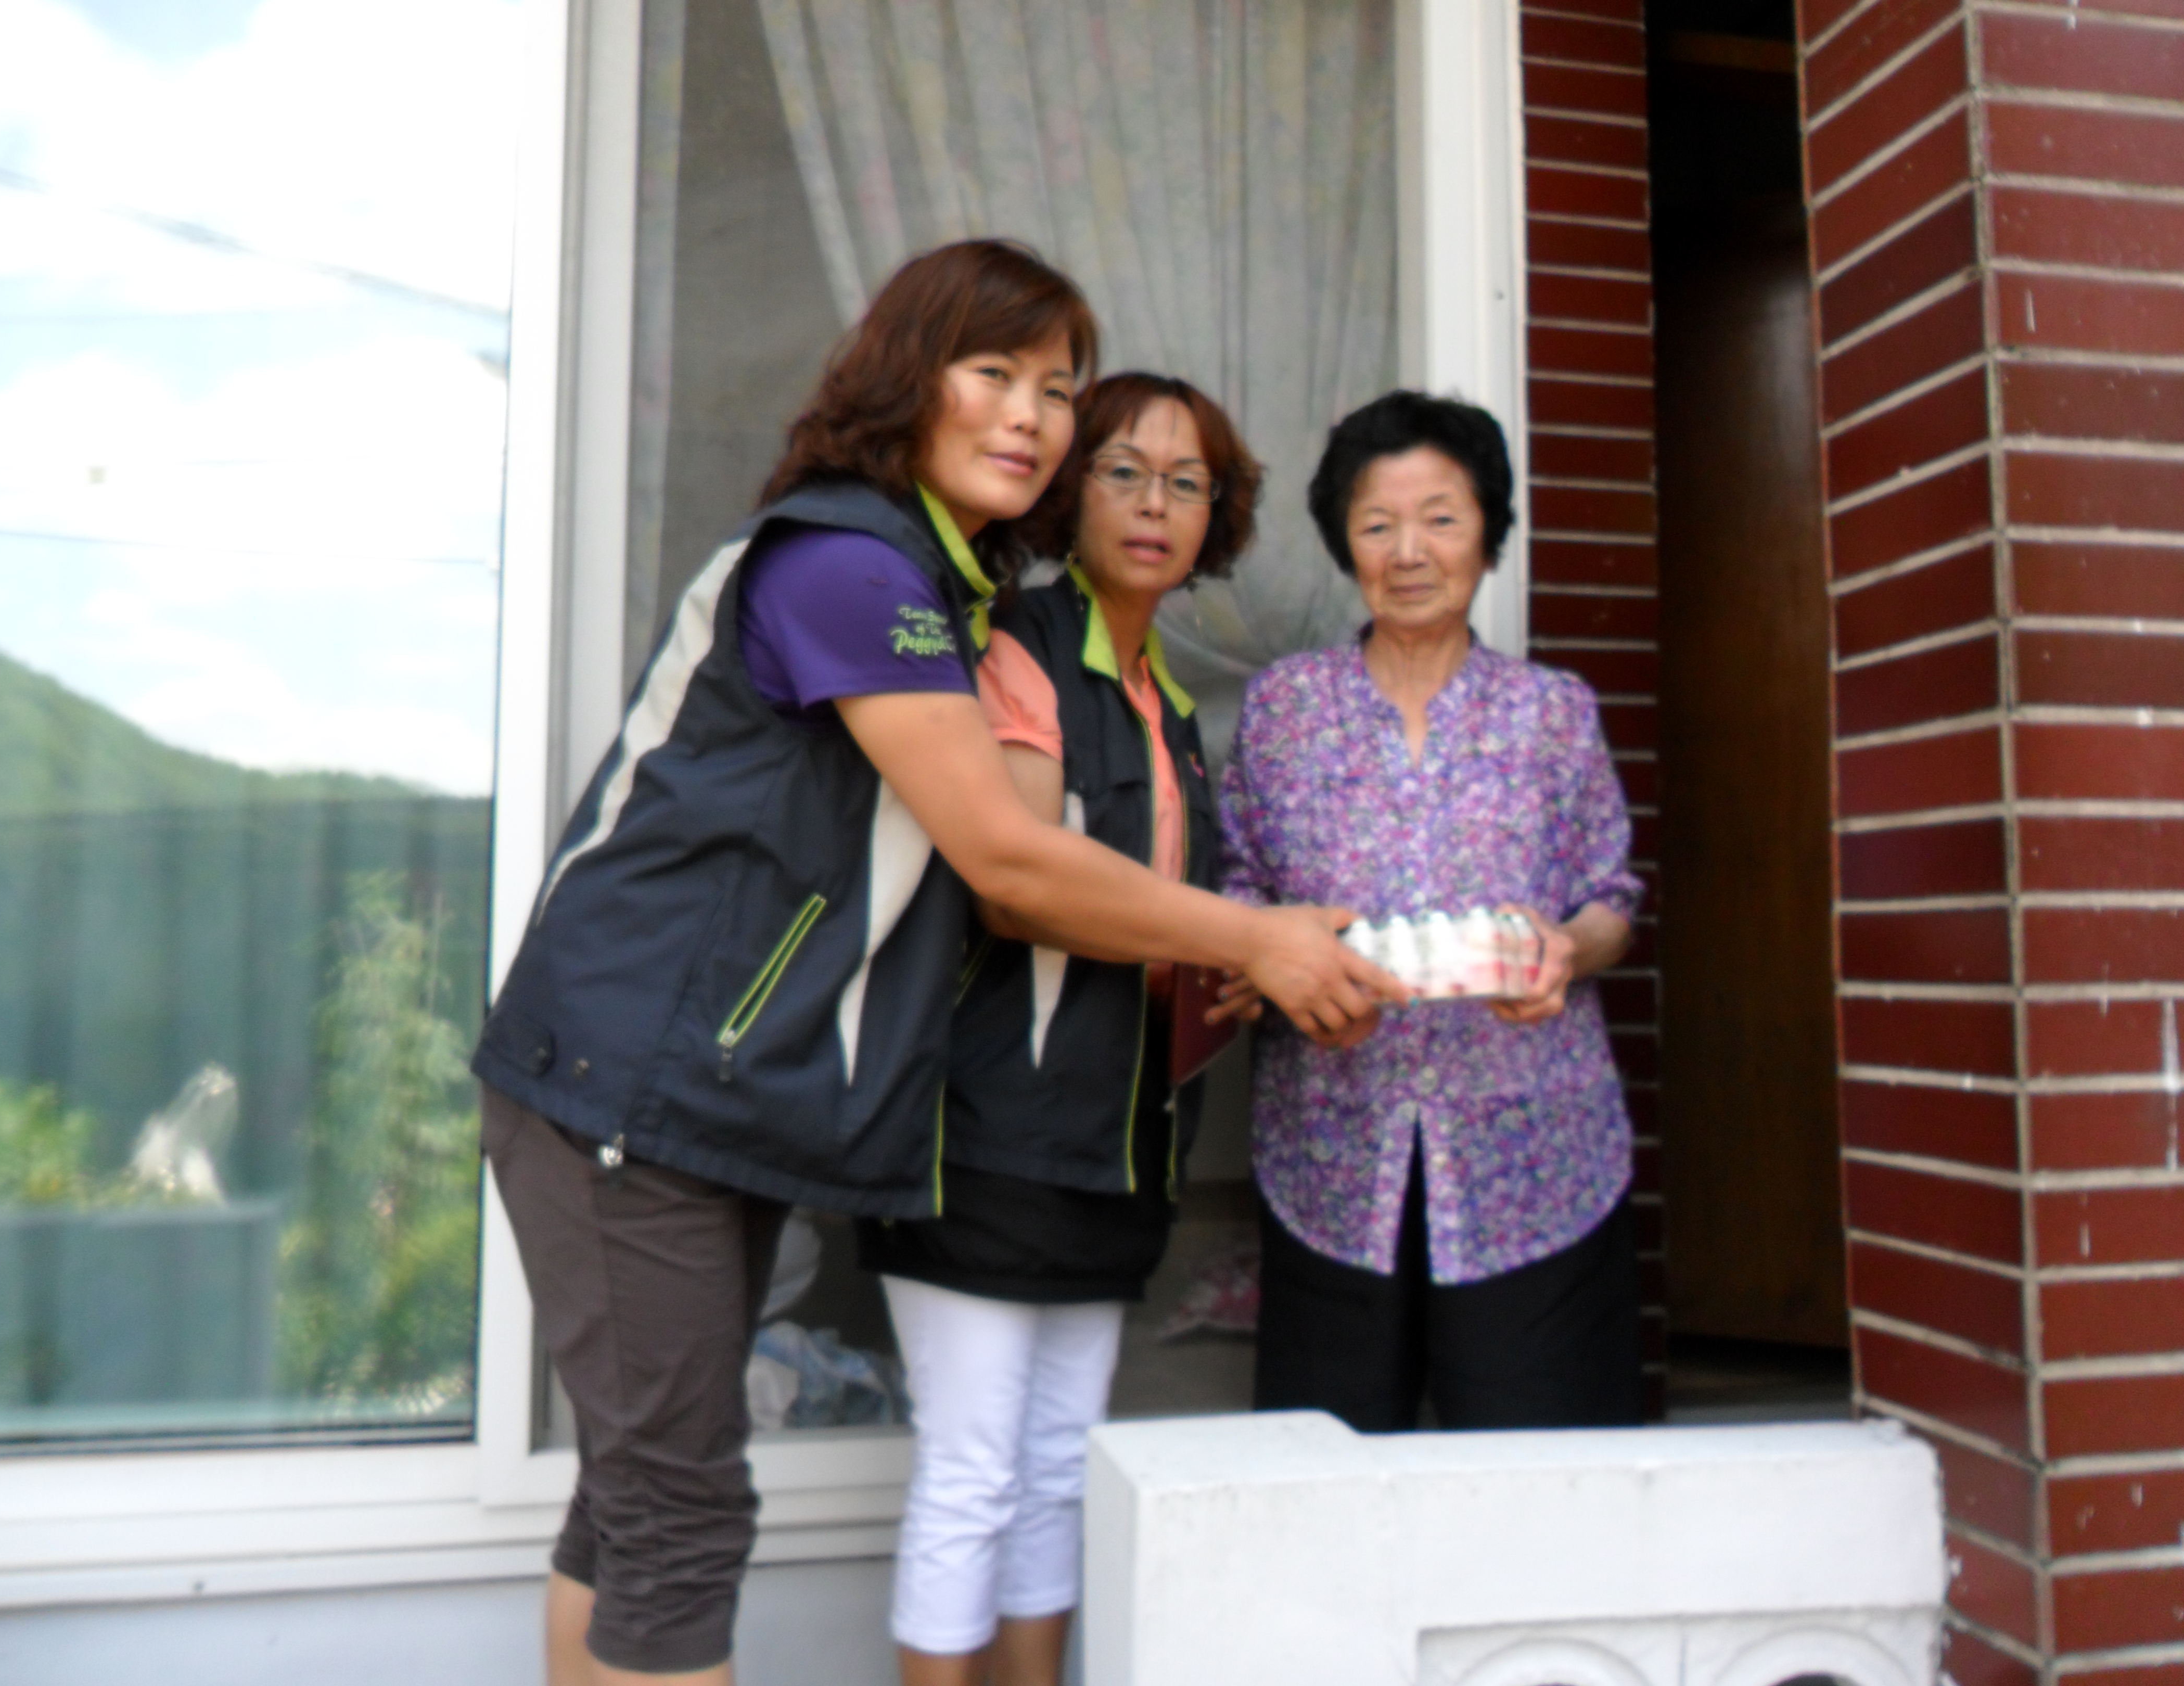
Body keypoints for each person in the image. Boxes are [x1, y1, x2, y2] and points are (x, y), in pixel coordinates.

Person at [470, 242, 1398, 1686]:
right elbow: (1009, 861)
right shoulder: (847, 564)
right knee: (680, 1515)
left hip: (695, 1098)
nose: (1031, 416)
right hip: (625, 1086)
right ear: (909, 376)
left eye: (1058, 389)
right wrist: (1260, 936)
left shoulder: (934, 585)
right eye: (994, 373)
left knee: (636, 1500)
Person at [858, 373, 1262, 1686]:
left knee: (1056, 1467)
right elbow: (1022, 886)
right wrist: (1236, 939)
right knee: (974, 1469)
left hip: (1115, 1143)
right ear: (1069, 490)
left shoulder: (1172, 702)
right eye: (1124, 471)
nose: (1156, 505)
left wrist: (1231, 970)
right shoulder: (1017, 647)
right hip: (982, 1135)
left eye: (1187, 483)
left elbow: (1160, 924)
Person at [1219, 389, 1644, 1435]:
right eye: (1378, 524)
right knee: (1327, 1466)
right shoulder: (1284, 709)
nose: (1410, 551)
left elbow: (1610, 899)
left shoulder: (1552, 712)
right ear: (1346, 545)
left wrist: (1565, 949)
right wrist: (1278, 969)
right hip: (1332, 1147)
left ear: (1488, 537)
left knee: (1535, 1465)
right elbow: (1240, 891)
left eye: (1442, 519)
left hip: (1531, 1155)